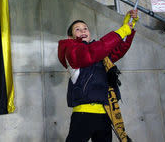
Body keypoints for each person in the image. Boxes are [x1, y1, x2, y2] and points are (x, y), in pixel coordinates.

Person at [58, 10, 138, 142]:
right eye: (77, 29)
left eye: (85, 28)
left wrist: (129, 25)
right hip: (83, 115)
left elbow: (119, 48)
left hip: (106, 114)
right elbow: (94, 51)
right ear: (70, 37)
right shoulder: (71, 51)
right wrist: (122, 31)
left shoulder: (100, 54)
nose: (83, 31)